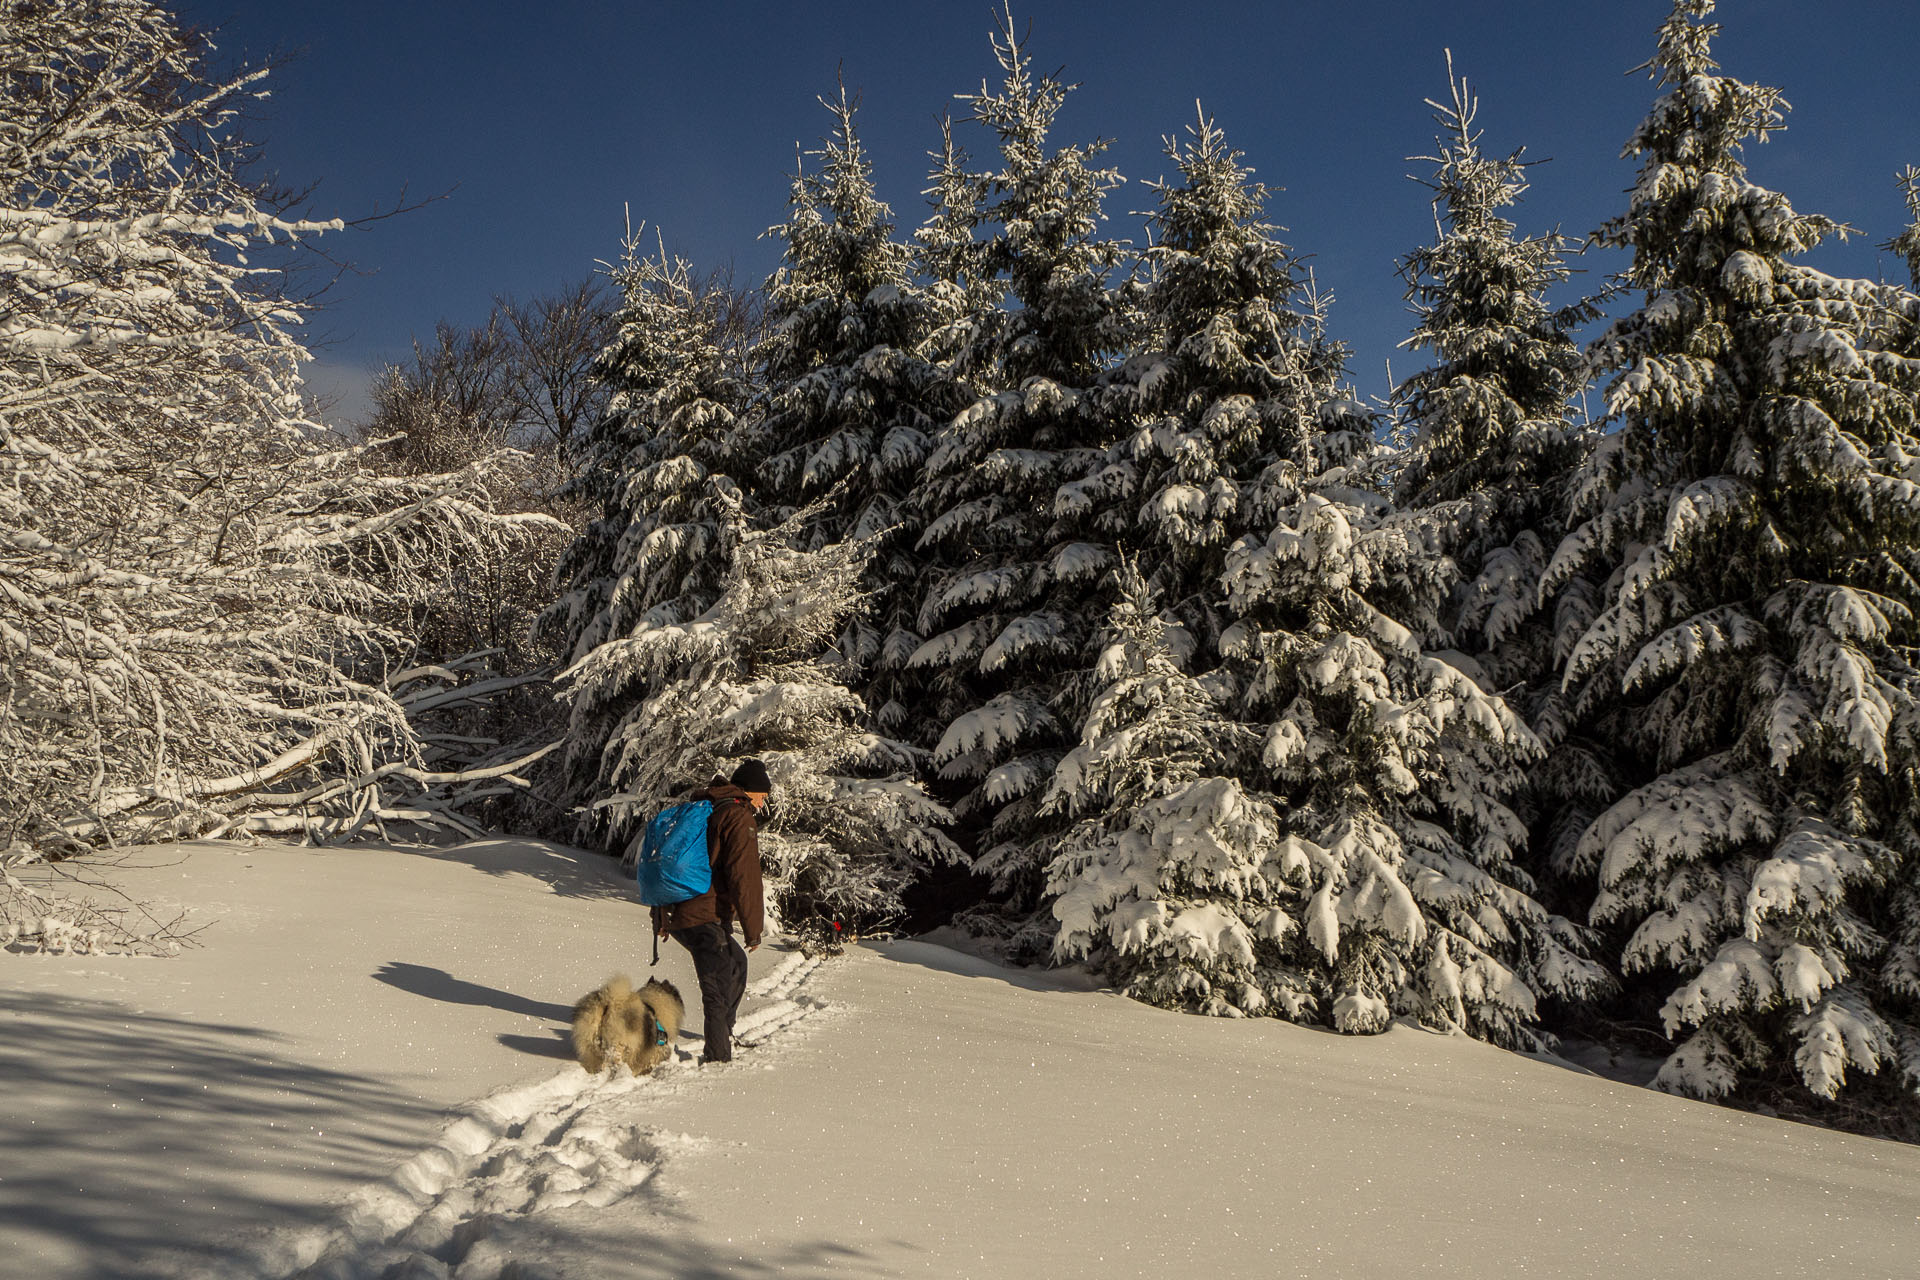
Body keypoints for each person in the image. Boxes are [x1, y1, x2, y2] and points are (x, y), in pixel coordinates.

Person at [652, 760, 768, 1064]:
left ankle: (722, 1035)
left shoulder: (706, 809)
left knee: (735, 964)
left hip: (683, 912)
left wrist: (662, 916)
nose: (764, 800)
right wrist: (753, 928)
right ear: (749, 790)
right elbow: (745, 876)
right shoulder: (737, 816)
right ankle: (718, 1059)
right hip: (703, 915)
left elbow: (669, 860)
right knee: (715, 988)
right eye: (762, 794)